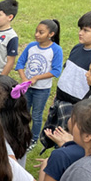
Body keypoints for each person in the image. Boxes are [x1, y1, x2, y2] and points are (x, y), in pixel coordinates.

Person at [40, 11, 91, 151]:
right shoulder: (77, 48)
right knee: (56, 135)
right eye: (80, 29)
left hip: (77, 108)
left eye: (86, 30)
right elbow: (67, 75)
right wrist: (57, 96)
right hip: (61, 101)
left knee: (70, 142)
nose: (80, 33)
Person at [16, 19, 63, 150]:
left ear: (51, 34)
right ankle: (21, 135)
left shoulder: (56, 50)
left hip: (42, 90)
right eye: (36, 31)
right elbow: (20, 63)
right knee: (23, 112)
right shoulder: (31, 46)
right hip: (27, 88)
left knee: (36, 115)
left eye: (41, 32)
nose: (37, 34)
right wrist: (24, 78)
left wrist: (37, 77)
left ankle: (34, 139)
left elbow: (56, 70)